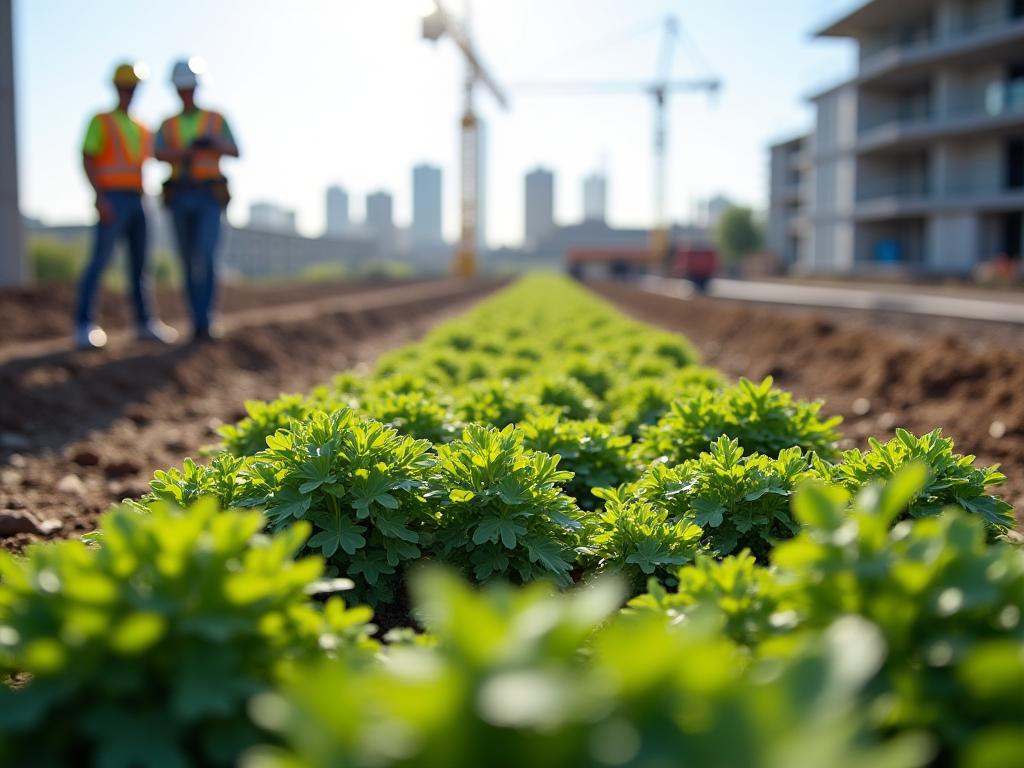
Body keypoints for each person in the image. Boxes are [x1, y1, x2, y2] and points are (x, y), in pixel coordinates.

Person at [75, 62, 177, 349]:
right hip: (113, 197)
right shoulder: (101, 121)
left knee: (140, 265)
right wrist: (99, 196)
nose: (128, 93)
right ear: (116, 88)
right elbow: (88, 157)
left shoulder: (142, 126)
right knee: (100, 261)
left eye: (132, 88)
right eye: (124, 88)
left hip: (139, 198)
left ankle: (145, 323)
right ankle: (84, 324)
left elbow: (159, 155)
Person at [155, 58, 239, 342]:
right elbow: (157, 153)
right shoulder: (168, 124)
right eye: (182, 89)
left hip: (209, 195)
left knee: (207, 255)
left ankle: (206, 319)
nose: (186, 93)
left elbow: (235, 149)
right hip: (180, 194)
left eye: (189, 88)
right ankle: (196, 320)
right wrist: (187, 152)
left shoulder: (216, 119)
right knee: (188, 260)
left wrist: (213, 144)